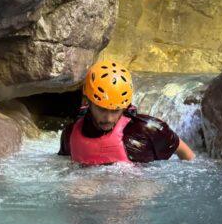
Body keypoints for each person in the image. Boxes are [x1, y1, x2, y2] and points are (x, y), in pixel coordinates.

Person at [58, 61, 196, 164]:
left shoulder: (146, 130)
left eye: (116, 110)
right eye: (102, 109)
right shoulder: (70, 133)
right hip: (92, 190)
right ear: (87, 102)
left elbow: (186, 153)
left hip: (134, 189)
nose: (109, 118)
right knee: (80, 190)